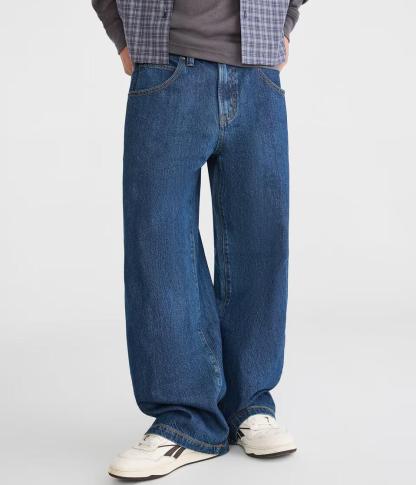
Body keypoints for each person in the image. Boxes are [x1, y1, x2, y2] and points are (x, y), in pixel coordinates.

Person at [92, 0, 308, 480]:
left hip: (257, 75)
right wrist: (121, 34)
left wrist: (285, 22)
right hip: (166, 67)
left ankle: (248, 404)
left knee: (260, 244)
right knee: (159, 244)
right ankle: (185, 420)